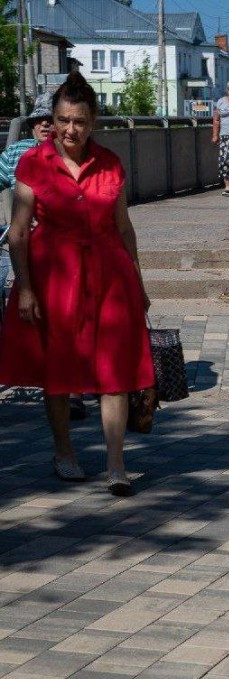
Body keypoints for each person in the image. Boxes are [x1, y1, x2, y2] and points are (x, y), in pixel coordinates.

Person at [0, 72, 154, 496]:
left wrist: (138, 282)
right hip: (53, 277)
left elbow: (124, 228)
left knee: (115, 370)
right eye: (64, 120)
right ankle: (64, 451)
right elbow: (18, 232)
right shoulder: (34, 163)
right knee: (59, 369)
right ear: (53, 119)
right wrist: (25, 287)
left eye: (80, 121)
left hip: (110, 277)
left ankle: (116, 464)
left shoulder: (110, 164)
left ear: (94, 122)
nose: (71, 130)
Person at [0, 94, 88, 422]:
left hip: (67, 254)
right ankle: (53, 386)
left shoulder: (72, 155)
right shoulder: (14, 155)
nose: (44, 125)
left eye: (50, 119)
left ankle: (74, 392)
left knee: (71, 323)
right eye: (38, 120)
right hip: (29, 253)